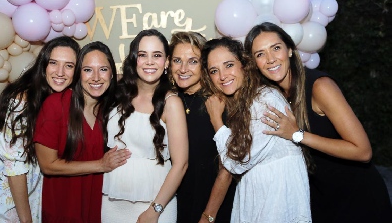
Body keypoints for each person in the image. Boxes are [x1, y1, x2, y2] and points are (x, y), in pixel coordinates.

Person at [245, 22, 392, 223]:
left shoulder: (319, 87)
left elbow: (363, 151)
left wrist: (297, 135)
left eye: (276, 48)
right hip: (319, 199)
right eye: (260, 54)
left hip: (357, 198)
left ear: (290, 50)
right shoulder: (274, 95)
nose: (270, 59)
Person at [201, 37, 311, 223]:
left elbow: (237, 163)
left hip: (276, 205)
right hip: (260, 200)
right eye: (214, 71)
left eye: (229, 65)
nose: (222, 76)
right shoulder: (244, 103)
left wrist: (216, 122)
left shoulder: (265, 100)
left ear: (244, 65)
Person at [0, 36, 81, 223]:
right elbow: (14, 167)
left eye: (69, 66)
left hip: (33, 191)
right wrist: (26, 220)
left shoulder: (60, 97)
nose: (60, 72)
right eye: (53, 63)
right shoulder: (21, 100)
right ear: (43, 65)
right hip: (6, 196)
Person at [34, 41, 131, 222]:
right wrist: (101, 165)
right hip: (63, 209)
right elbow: (48, 165)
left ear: (112, 74)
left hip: (97, 208)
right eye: (87, 70)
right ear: (79, 73)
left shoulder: (110, 110)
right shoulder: (56, 105)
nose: (95, 77)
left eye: (103, 69)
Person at [102, 29, 188, 223]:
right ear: (134, 60)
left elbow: (181, 165)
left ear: (166, 62)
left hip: (155, 205)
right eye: (143, 55)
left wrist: (155, 210)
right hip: (111, 200)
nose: (150, 61)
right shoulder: (117, 94)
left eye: (157, 55)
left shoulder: (171, 103)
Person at [168, 31, 235, 223]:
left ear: (204, 66)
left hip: (214, 204)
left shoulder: (219, 103)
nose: (183, 68)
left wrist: (209, 215)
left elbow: (227, 167)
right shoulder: (170, 100)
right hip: (178, 202)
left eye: (193, 61)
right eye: (177, 60)